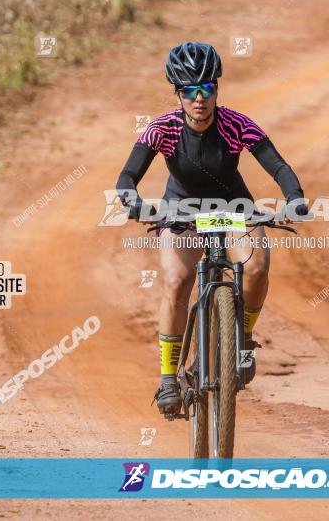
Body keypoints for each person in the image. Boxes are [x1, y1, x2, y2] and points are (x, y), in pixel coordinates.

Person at [115, 41, 308, 416]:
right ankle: (169, 377)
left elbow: (279, 167)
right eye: (190, 90)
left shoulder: (236, 124)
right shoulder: (162, 129)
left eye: (207, 88)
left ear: (217, 89)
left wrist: (294, 197)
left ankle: (244, 339)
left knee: (256, 267)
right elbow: (126, 176)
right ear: (178, 94)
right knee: (176, 280)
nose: (200, 98)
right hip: (181, 211)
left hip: (233, 208)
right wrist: (134, 203)